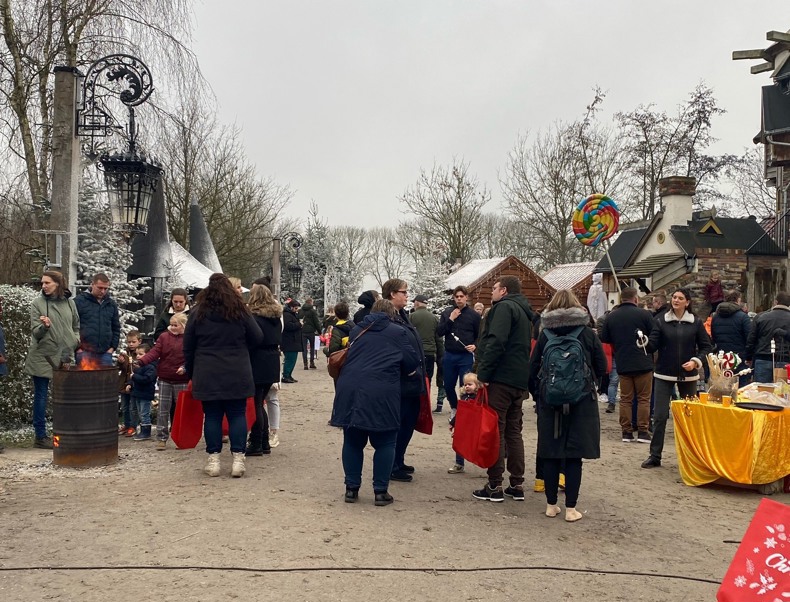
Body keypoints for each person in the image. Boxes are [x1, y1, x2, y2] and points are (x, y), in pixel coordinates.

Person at [330, 299, 420, 506]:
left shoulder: (356, 330)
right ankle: (380, 491)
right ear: (391, 315)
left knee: (352, 441)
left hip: (350, 387)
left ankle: (351, 489)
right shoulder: (398, 332)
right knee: (386, 441)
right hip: (382, 390)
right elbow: (411, 361)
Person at [529, 289, 607, 522]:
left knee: (551, 453)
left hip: (550, 401)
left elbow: (532, 368)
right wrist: (591, 385)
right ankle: (571, 508)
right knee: (574, 455)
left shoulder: (545, 334)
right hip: (581, 401)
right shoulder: (586, 333)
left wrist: (539, 395)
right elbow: (602, 365)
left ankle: (551, 505)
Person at [183, 273, 263, 478]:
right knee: (237, 414)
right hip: (237, 369)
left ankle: (214, 460)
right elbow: (257, 337)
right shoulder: (240, 311)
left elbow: (188, 347)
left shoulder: (197, 312)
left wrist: (192, 372)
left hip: (207, 370)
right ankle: (238, 459)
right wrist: (242, 350)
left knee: (212, 416)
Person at [472, 276, 534, 502]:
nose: (492, 292)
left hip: (500, 379)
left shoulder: (504, 308)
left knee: (495, 430)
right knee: (514, 432)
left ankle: (494, 485)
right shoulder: (525, 311)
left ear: (504, 290)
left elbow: (496, 341)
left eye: (495, 288)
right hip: (518, 380)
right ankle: (516, 484)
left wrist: (483, 374)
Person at [643, 287, 712, 469]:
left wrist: (695, 361)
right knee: (659, 416)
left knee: (690, 417)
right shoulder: (661, 321)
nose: (676, 300)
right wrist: (643, 342)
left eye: (680, 298)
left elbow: (706, 347)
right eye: (674, 297)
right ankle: (655, 455)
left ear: (687, 302)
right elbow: (652, 346)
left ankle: (692, 456)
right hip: (663, 373)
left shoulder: (696, 323)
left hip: (688, 375)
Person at [23, 270, 80, 449]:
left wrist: (75, 339)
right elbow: (35, 332)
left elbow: (76, 325)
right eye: (42, 283)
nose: (44, 286)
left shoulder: (69, 303)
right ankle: (40, 436)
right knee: (41, 396)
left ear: (58, 283)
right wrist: (45, 326)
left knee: (65, 396)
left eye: (47, 282)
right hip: (43, 356)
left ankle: (64, 433)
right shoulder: (37, 304)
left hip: (65, 354)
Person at [382, 278, 427, 482]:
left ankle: (398, 459)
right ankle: (391, 465)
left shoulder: (402, 315)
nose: (407, 296)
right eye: (404, 292)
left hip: (412, 381)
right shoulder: (387, 317)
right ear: (392, 294)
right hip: (399, 381)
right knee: (398, 423)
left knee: (408, 422)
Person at [600, 287, 655, 443]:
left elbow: (605, 337)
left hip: (623, 361)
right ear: (635, 298)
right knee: (644, 399)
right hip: (643, 361)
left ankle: (626, 432)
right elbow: (654, 335)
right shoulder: (645, 314)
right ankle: (643, 431)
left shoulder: (612, 317)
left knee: (625, 399)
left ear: (620, 299)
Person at [138, 313, 189, 450]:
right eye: (171, 325)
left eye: (175, 325)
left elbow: (191, 356)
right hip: (165, 378)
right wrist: (142, 361)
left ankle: (182, 437)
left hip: (182, 379)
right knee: (162, 410)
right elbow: (155, 352)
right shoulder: (164, 337)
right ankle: (161, 438)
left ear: (183, 326)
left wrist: (185, 367)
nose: (172, 327)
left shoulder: (189, 339)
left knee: (181, 411)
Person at [245, 284, 282, 456]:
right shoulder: (275, 317)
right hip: (272, 359)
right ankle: (264, 441)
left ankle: (256, 442)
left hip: (257, 360)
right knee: (260, 403)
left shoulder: (254, 318)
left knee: (256, 403)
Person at [436, 286, 480, 416]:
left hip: (465, 356)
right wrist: (451, 319)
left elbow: (480, 335)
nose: (459, 299)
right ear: (454, 298)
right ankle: (455, 407)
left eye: (462, 296)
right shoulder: (447, 312)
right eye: (457, 297)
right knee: (448, 385)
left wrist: (475, 345)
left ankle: (465, 410)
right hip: (449, 355)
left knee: (465, 385)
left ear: (466, 297)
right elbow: (439, 332)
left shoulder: (474, 315)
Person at [74, 273, 120, 367]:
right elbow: (71, 326)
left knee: (104, 381)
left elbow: (116, 327)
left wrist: (112, 348)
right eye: (100, 288)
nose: (103, 291)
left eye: (105, 288)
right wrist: (78, 348)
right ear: (92, 285)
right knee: (84, 381)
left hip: (105, 353)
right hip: (84, 353)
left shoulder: (111, 304)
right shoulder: (79, 302)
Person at [745, 291, 790, 383]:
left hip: (762, 358)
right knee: (784, 393)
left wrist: (748, 357)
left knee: (762, 392)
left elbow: (751, 339)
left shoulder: (760, 317)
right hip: (786, 360)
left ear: (775, 302)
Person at [711, 290, 752, 386]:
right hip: (740, 358)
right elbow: (749, 338)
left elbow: (714, 337)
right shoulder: (743, 317)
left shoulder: (716, 317)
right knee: (740, 388)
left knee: (723, 388)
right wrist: (749, 356)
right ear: (738, 300)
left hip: (722, 357)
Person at [447, 372, 481, 474]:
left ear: (477, 386)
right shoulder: (463, 397)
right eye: (465, 384)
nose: (467, 386)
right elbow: (460, 412)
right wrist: (453, 423)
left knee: (477, 444)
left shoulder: (478, 399)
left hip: (474, 425)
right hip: (463, 425)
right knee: (459, 443)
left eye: (470, 384)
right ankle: (459, 464)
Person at [409, 294, 440, 391]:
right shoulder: (434, 318)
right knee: (427, 380)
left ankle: (416, 404)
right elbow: (438, 339)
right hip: (430, 353)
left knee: (414, 380)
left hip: (416, 353)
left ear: (417, 303)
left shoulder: (411, 317)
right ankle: (426, 402)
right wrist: (440, 355)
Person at [126, 344, 157, 441]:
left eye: (141, 354)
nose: (138, 356)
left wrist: (134, 377)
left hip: (145, 394)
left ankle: (146, 432)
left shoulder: (150, 367)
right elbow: (134, 377)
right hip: (137, 393)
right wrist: (130, 384)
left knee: (144, 413)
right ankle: (142, 430)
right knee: (140, 412)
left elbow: (146, 379)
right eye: (137, 354)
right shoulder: (137, 366)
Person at [116, 330, 142, 437]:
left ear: (139, 341)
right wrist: (120, 362)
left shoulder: (141, 354)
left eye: (133, 342)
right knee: (125, 406)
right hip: (123, 384)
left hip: (134, 384)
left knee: (133, 407)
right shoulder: (125, 354)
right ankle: (126, 425)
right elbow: (121, 368)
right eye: (129, 342)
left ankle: (133, 426)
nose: (131, 344)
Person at [281, 299, 302, 383]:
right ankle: (286, 375)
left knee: (292, 360)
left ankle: (289, 375)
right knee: (290, 359)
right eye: (296, 308)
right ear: (291, 307)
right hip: (289, 341)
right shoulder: (287, 315)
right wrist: (299, 324)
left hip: (293, 341)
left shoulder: (292, 314)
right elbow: (288, 326)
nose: (297, 310)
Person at [298, 297, 322, 369]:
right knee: (312, 347)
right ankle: (312, 362)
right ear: (311, 302)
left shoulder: (300, 311)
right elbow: (316, 322)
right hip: (311, 331)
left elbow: (298, 319)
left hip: (303, 331)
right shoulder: (312, 311)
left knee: (304, 348)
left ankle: (305, 364)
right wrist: (319, 331)